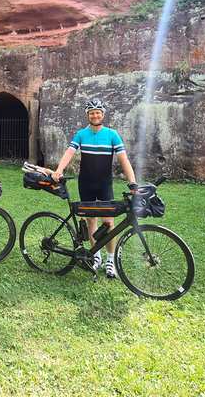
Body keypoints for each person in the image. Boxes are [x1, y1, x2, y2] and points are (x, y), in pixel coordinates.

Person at [52, 98, 136, 278]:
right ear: (87, 115)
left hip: (104, 184)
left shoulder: (112, 135)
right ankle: (95, 256)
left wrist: (132, 182)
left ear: (102, 115)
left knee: (109, 222)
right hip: (86, 183)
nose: (95, 115)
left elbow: (124, 160)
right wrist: (59, 170)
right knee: (91, 221)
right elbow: (69, 152)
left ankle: (110, 260)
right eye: (91, 113)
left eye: (98, 112)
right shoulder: (81, 134)